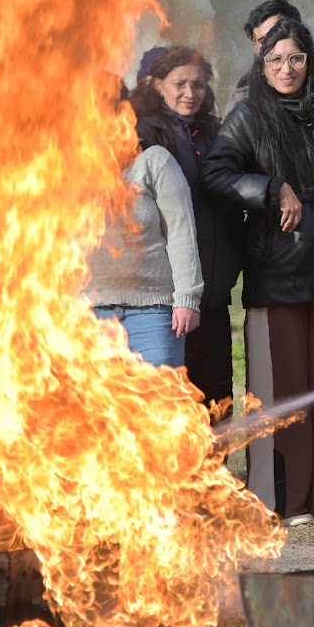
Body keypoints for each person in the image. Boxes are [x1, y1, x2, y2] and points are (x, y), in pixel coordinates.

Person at [201, 17, 314, 526]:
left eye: (295, 58)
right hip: (275, 271)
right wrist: (270, 189)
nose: (286, 68)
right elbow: (215, 173)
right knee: (279, 394)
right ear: (262, 66)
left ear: (309, 61)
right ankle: (282, 501)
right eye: (275, 60)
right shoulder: (248, 115)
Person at [127, 47, 242, 410]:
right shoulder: (143, 135)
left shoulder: (217, 133)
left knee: (217, 401)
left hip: (214, 293)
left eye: (199, 84)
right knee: (174, 404)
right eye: (180, 84)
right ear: (157, 84)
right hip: (168, 300)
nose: (190, 93)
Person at [86, 114, 203, 370]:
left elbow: (181, 231)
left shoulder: (155, 161)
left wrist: (188, 298)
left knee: (158, 392)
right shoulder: (63, 168)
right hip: (88, 312)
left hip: (153, 313)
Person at [223, 0, 314, 113]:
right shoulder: (242, 100)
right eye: (264, 40)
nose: (273, 45)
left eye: (279, 34)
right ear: (255, 46)